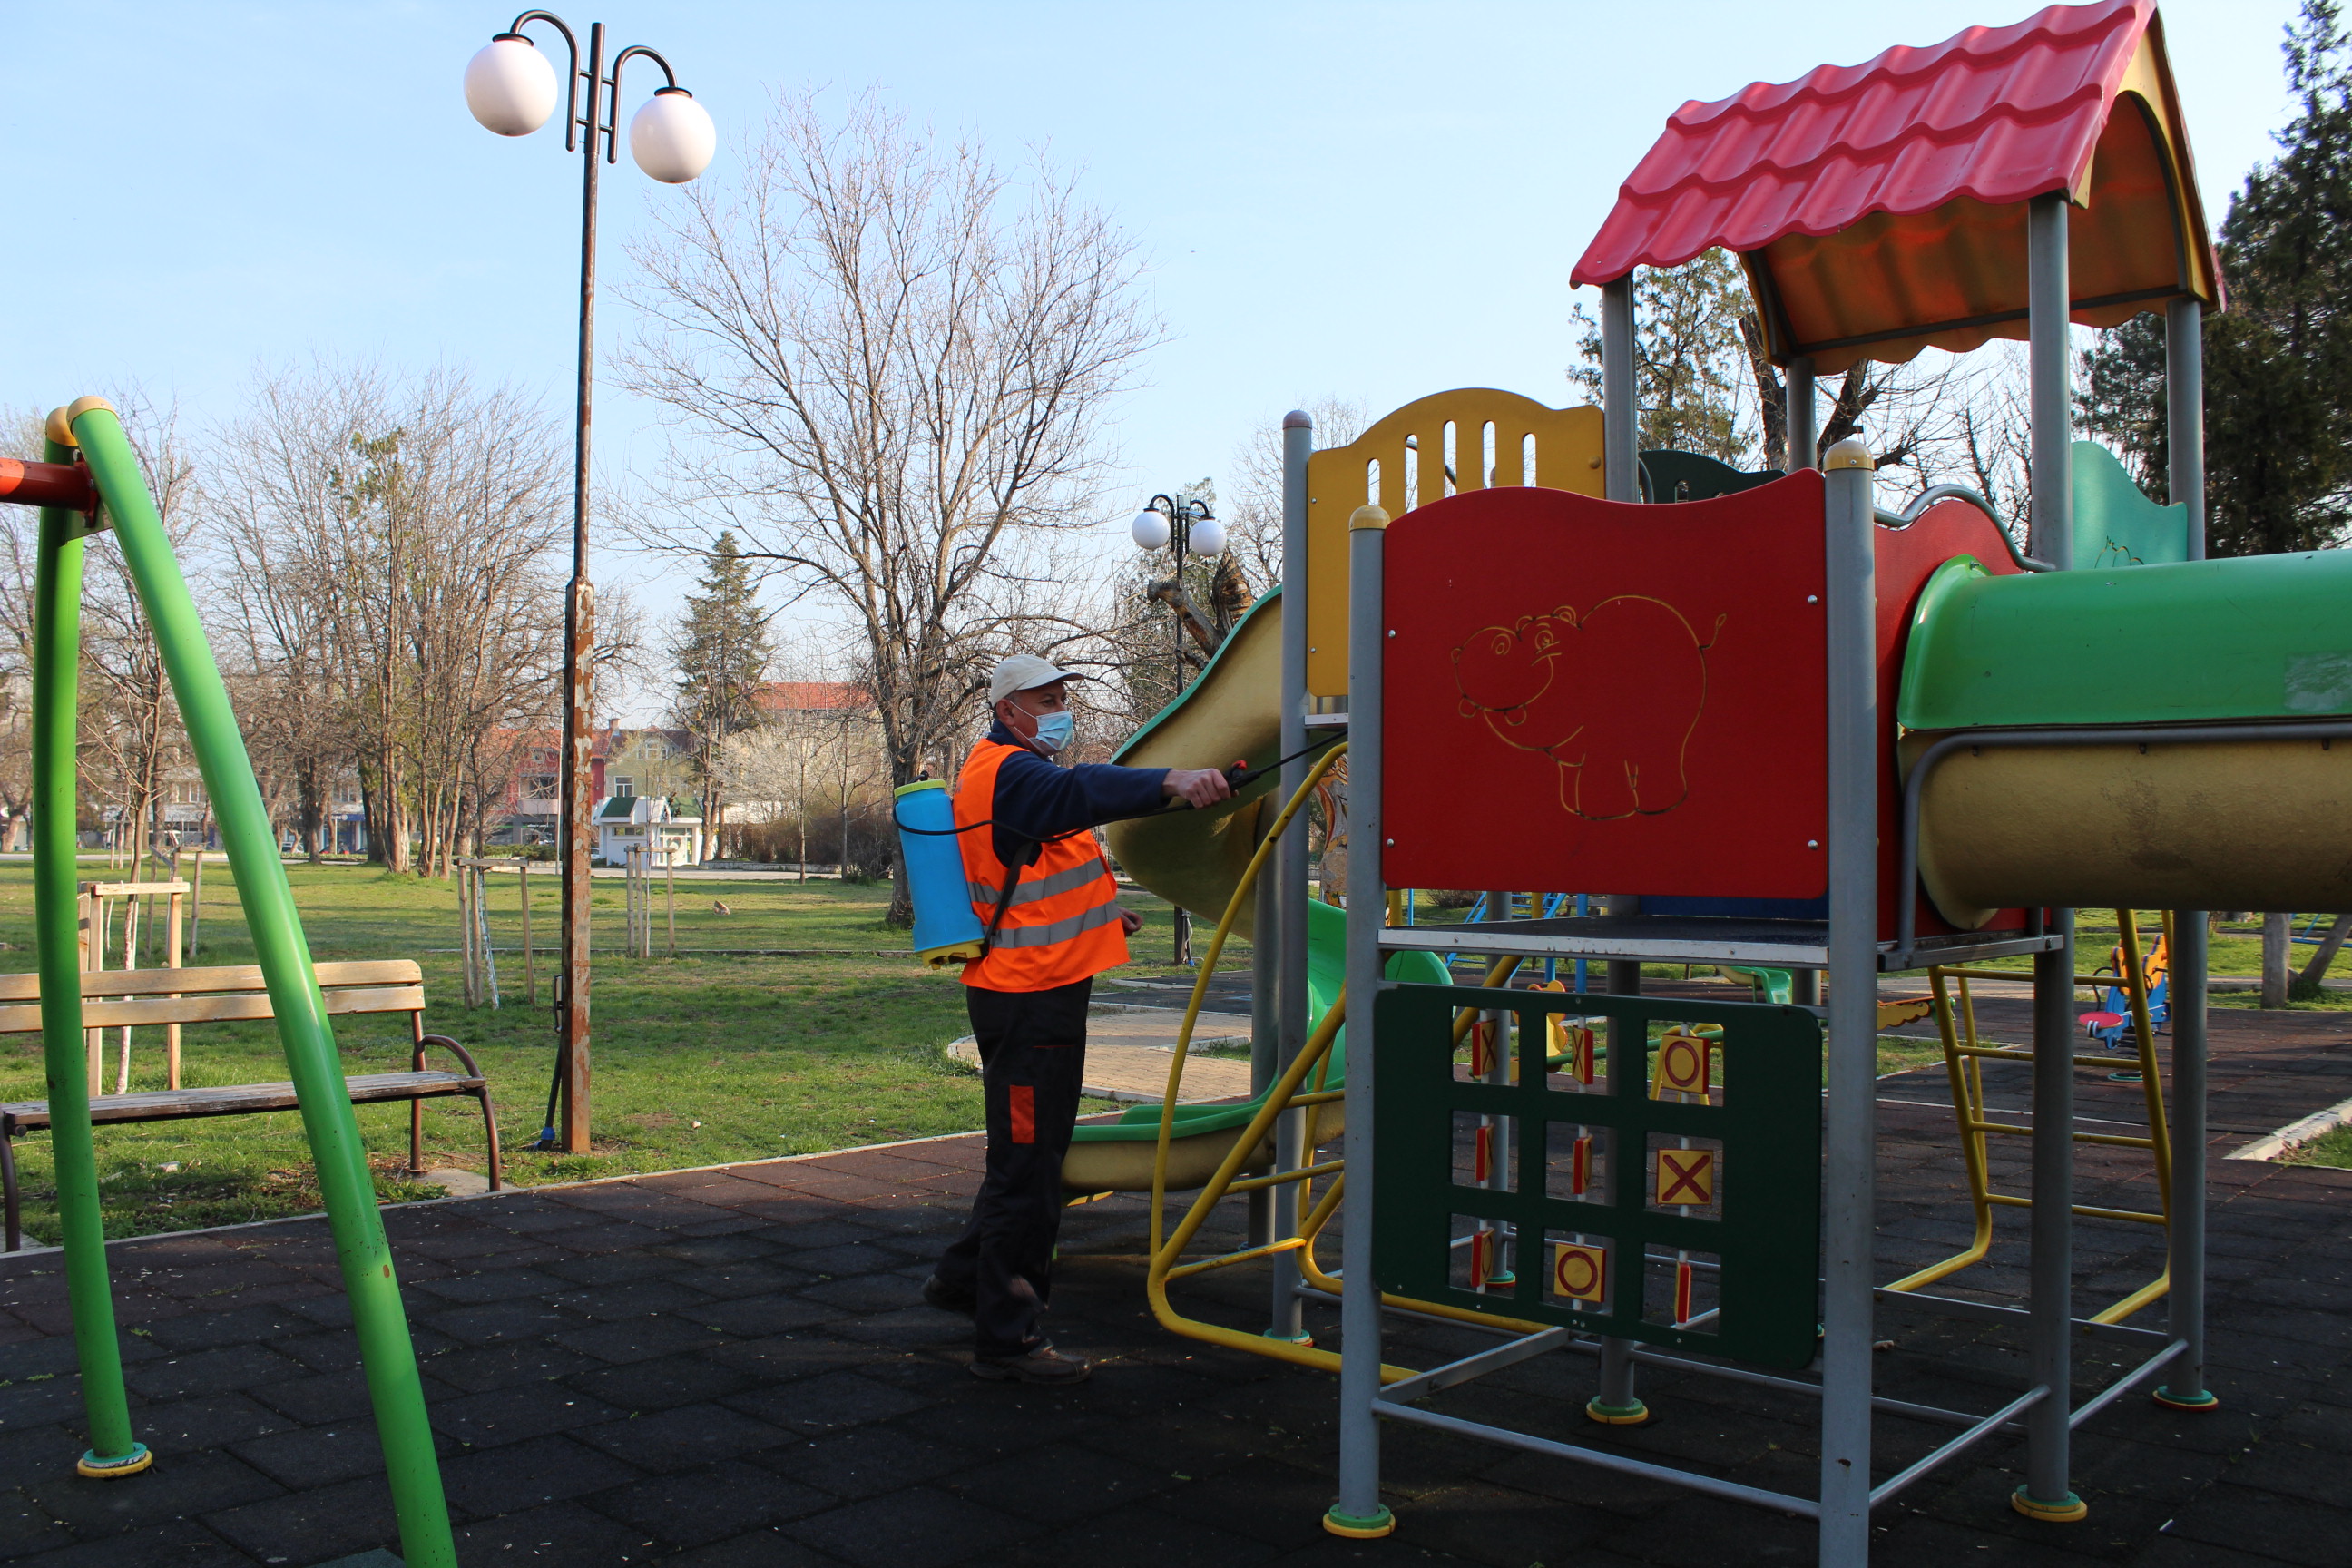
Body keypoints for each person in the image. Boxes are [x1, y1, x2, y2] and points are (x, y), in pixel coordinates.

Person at [923, 653, 1231, 1383]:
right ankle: (1009, 1340)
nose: (1061, 710)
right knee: (1028, 1168)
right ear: (1008, 710)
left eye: (1063, 697)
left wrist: (1102, 912)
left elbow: (1033, 874)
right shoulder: (1012, 773)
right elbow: (1084, 790)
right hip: (1029, 1001)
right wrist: (1170, 781)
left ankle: (962, 1280)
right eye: (1047, 700)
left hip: (1034, 990)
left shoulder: (1010, 771)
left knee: (1028, 1155)